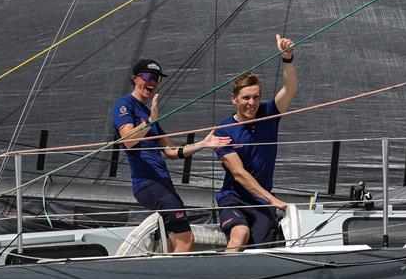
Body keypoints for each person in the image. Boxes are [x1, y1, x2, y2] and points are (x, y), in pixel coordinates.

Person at [112, 59, 231, 253]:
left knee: (171, 244)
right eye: (149, 76)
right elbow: (128, 140)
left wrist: (203, 144)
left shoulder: (150, 114)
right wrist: (150, 122)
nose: (154, 82)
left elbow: (171, 152)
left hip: (162, 184)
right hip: (147, 184)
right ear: (135, 78)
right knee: (186, 241)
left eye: (157, 79)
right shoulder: (124, 105)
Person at [213, 35, 299, 252]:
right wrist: (273, 200)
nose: (252, 103)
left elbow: (290, 89)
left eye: (256, 97)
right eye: (246, 98)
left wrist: (287, 58)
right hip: (234, 199)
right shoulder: (223, 130)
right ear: (234, 99)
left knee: (261, 248)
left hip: (261, 203)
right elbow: (239, 174)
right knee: (240, 233)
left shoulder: (269, 112)